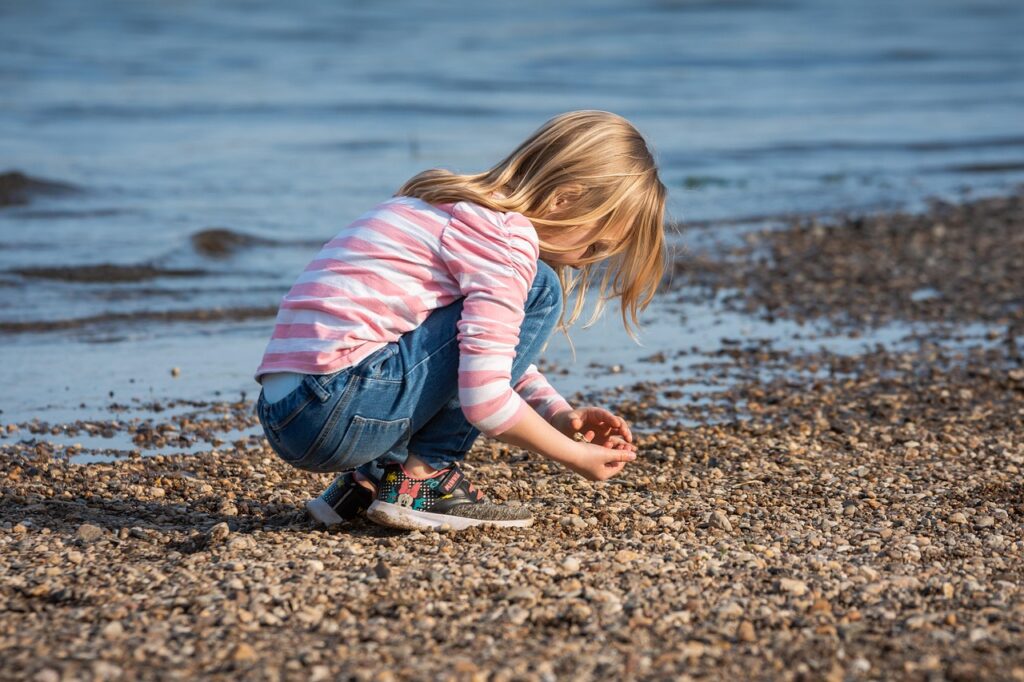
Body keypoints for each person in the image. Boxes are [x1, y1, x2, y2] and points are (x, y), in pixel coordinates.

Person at [254, 110, 667, 531]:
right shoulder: (505, 240)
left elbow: (472, 345)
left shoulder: (444, 210)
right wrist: (571, 453)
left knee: (491, 319)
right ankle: (422, 477)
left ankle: (368, 482)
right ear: (564, 199)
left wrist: (558, 413)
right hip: (340, 409)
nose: (585, 265)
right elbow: (483, 397)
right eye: (595, 245)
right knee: (541, 286)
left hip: (287, 412)